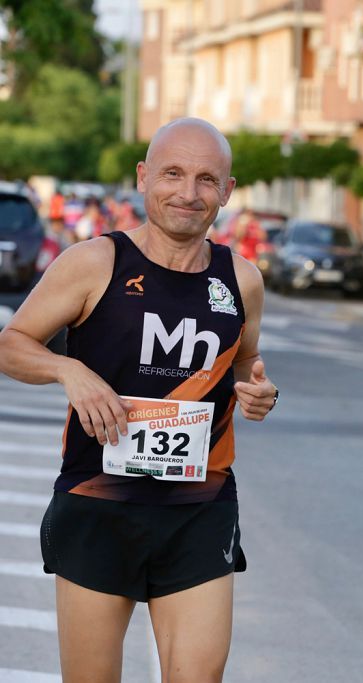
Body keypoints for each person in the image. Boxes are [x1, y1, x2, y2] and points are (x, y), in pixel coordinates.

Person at [0, 117, 278, 683]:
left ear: (227, 191)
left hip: (199, 508)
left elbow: (245, 360)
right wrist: (67, 369)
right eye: (172, 173)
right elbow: (11, 344)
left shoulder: (241, 279)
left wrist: (258, 390)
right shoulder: (95, 262)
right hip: (99, 502)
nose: (188, 192)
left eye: (207, 179)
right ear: (143, 177)